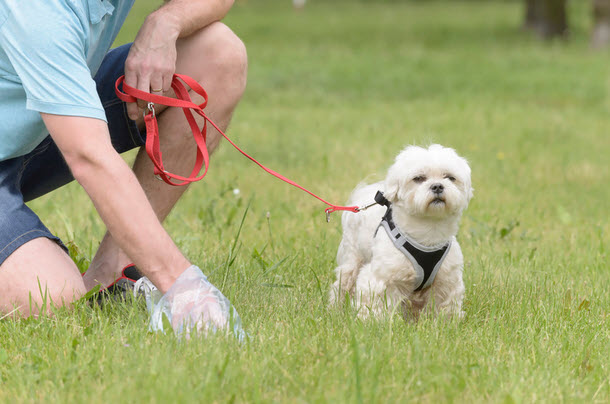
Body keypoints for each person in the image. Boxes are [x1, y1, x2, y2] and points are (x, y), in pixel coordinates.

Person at [0, 0, 248, 329]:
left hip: (34, 120)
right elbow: (89, 156)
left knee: (217, 53)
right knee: (49, 296)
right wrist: (183, 285)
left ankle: (112, 274)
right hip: (47, 121)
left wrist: (166, 21)